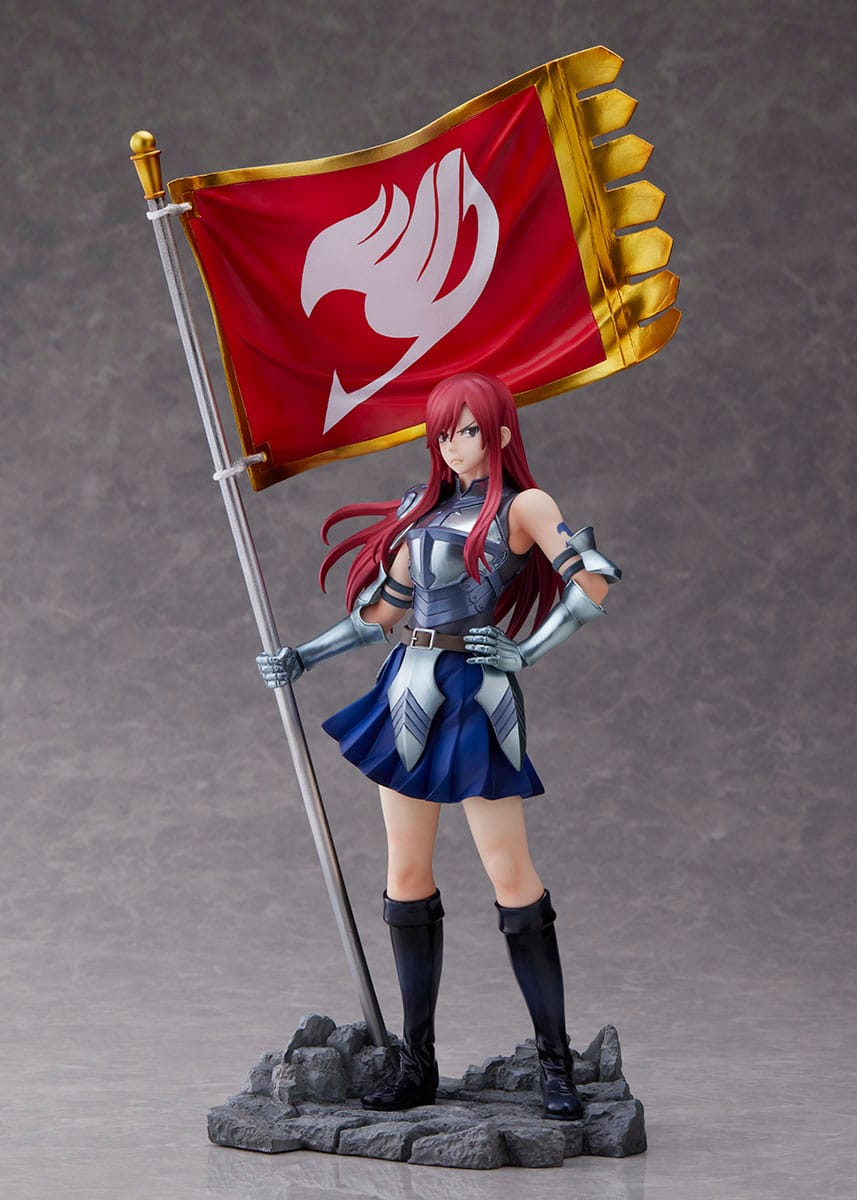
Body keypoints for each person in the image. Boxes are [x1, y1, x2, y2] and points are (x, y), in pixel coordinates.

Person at [257, 372, 620, 1120]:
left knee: (510, 876)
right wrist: (301, 657)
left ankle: (555, 1063)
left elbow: (592, 582)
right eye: (445, 431)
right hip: (408, 691)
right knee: (405, 873)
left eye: (469, 429)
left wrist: (525, 651)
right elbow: (380, 614)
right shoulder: (420, 510)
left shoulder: (524, 506)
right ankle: (415, 1063)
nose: (454, 444)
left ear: (501, 433)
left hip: (475, 694)